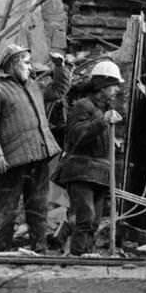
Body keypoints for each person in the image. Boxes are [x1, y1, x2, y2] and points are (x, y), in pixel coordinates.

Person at [0, 42, 61, 252]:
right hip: (12, 160)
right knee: (8, 207)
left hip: (39, 154)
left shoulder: (32, 86)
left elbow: (58, 90)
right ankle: (2, 250)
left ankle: (39, 250)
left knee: (38, 206)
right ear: (13, 64)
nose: (30, 67)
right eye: (26, 62)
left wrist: (61, 68)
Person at [53, 58, 124, 255]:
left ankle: (87, 254)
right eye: (113, 86)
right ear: (102, 86)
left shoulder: (103, 109)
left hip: (99, 173)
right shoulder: (82, 106)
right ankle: (77, 255)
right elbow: (77, 135)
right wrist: (102, 122)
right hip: (81, 170)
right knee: (86, 217)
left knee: (93, 221)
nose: (116, 90)